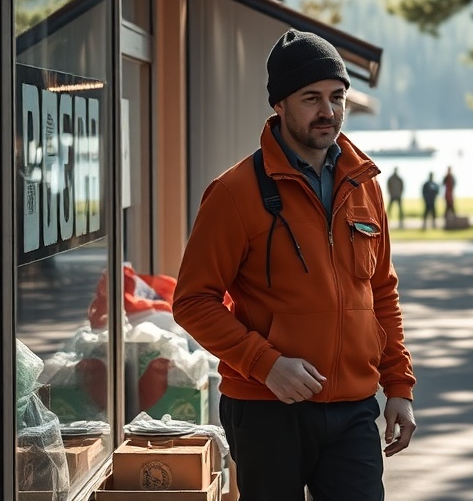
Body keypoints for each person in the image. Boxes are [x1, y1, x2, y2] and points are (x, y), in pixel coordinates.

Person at [173, 29, 416, 501]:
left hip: (353, 410)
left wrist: (399, 386)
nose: (328, 111)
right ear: (279, 105)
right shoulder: (233, 193)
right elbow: (193, 302)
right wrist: (266, 365)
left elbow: (381, 292)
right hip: (266, 409)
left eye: (337, 97)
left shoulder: (364, 186)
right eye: (312, 98)